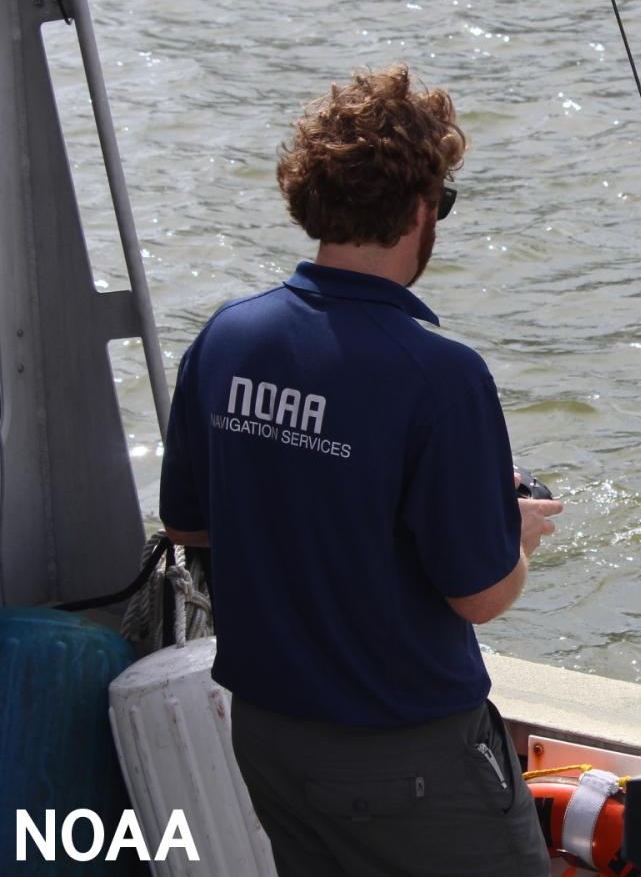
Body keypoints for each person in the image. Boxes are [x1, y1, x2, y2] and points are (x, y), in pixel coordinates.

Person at [159, 64, 559, 877]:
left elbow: (188, 524)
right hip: (408, 752)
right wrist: (513, 536)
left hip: (270, 736)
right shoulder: (441, 375)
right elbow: (480, 595)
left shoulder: (227, 338)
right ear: (421, 209)